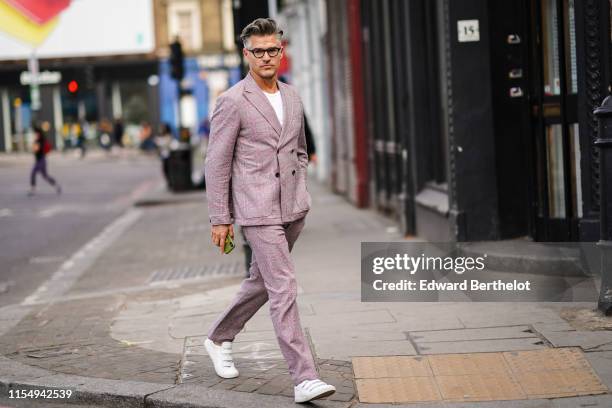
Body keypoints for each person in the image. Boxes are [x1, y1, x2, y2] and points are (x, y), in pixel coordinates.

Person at [203, 18, 336, 403]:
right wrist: (221, 217)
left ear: (282, 51)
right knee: (283, 287)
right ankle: (304, 378)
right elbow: (217, 163)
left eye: (272, 50)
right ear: (246, 55)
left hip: (293, 207)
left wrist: (302, 187)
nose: (266, 57)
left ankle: (218, 338)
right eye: (258, 51)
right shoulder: (232, 101)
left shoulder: (292, 96)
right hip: (257, 208)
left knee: (262, 282)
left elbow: (298, 148)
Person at [29, 126, 61, 196]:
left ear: (39, 134)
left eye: (36, 134)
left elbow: (36, 150)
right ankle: (56, 185)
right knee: (45, 176)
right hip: (40, 160)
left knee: (33, 172)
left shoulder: (40, 141)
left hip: (41, 160)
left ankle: (33, 189)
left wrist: (34, 146)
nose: (35, 135)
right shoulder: (38, 140)